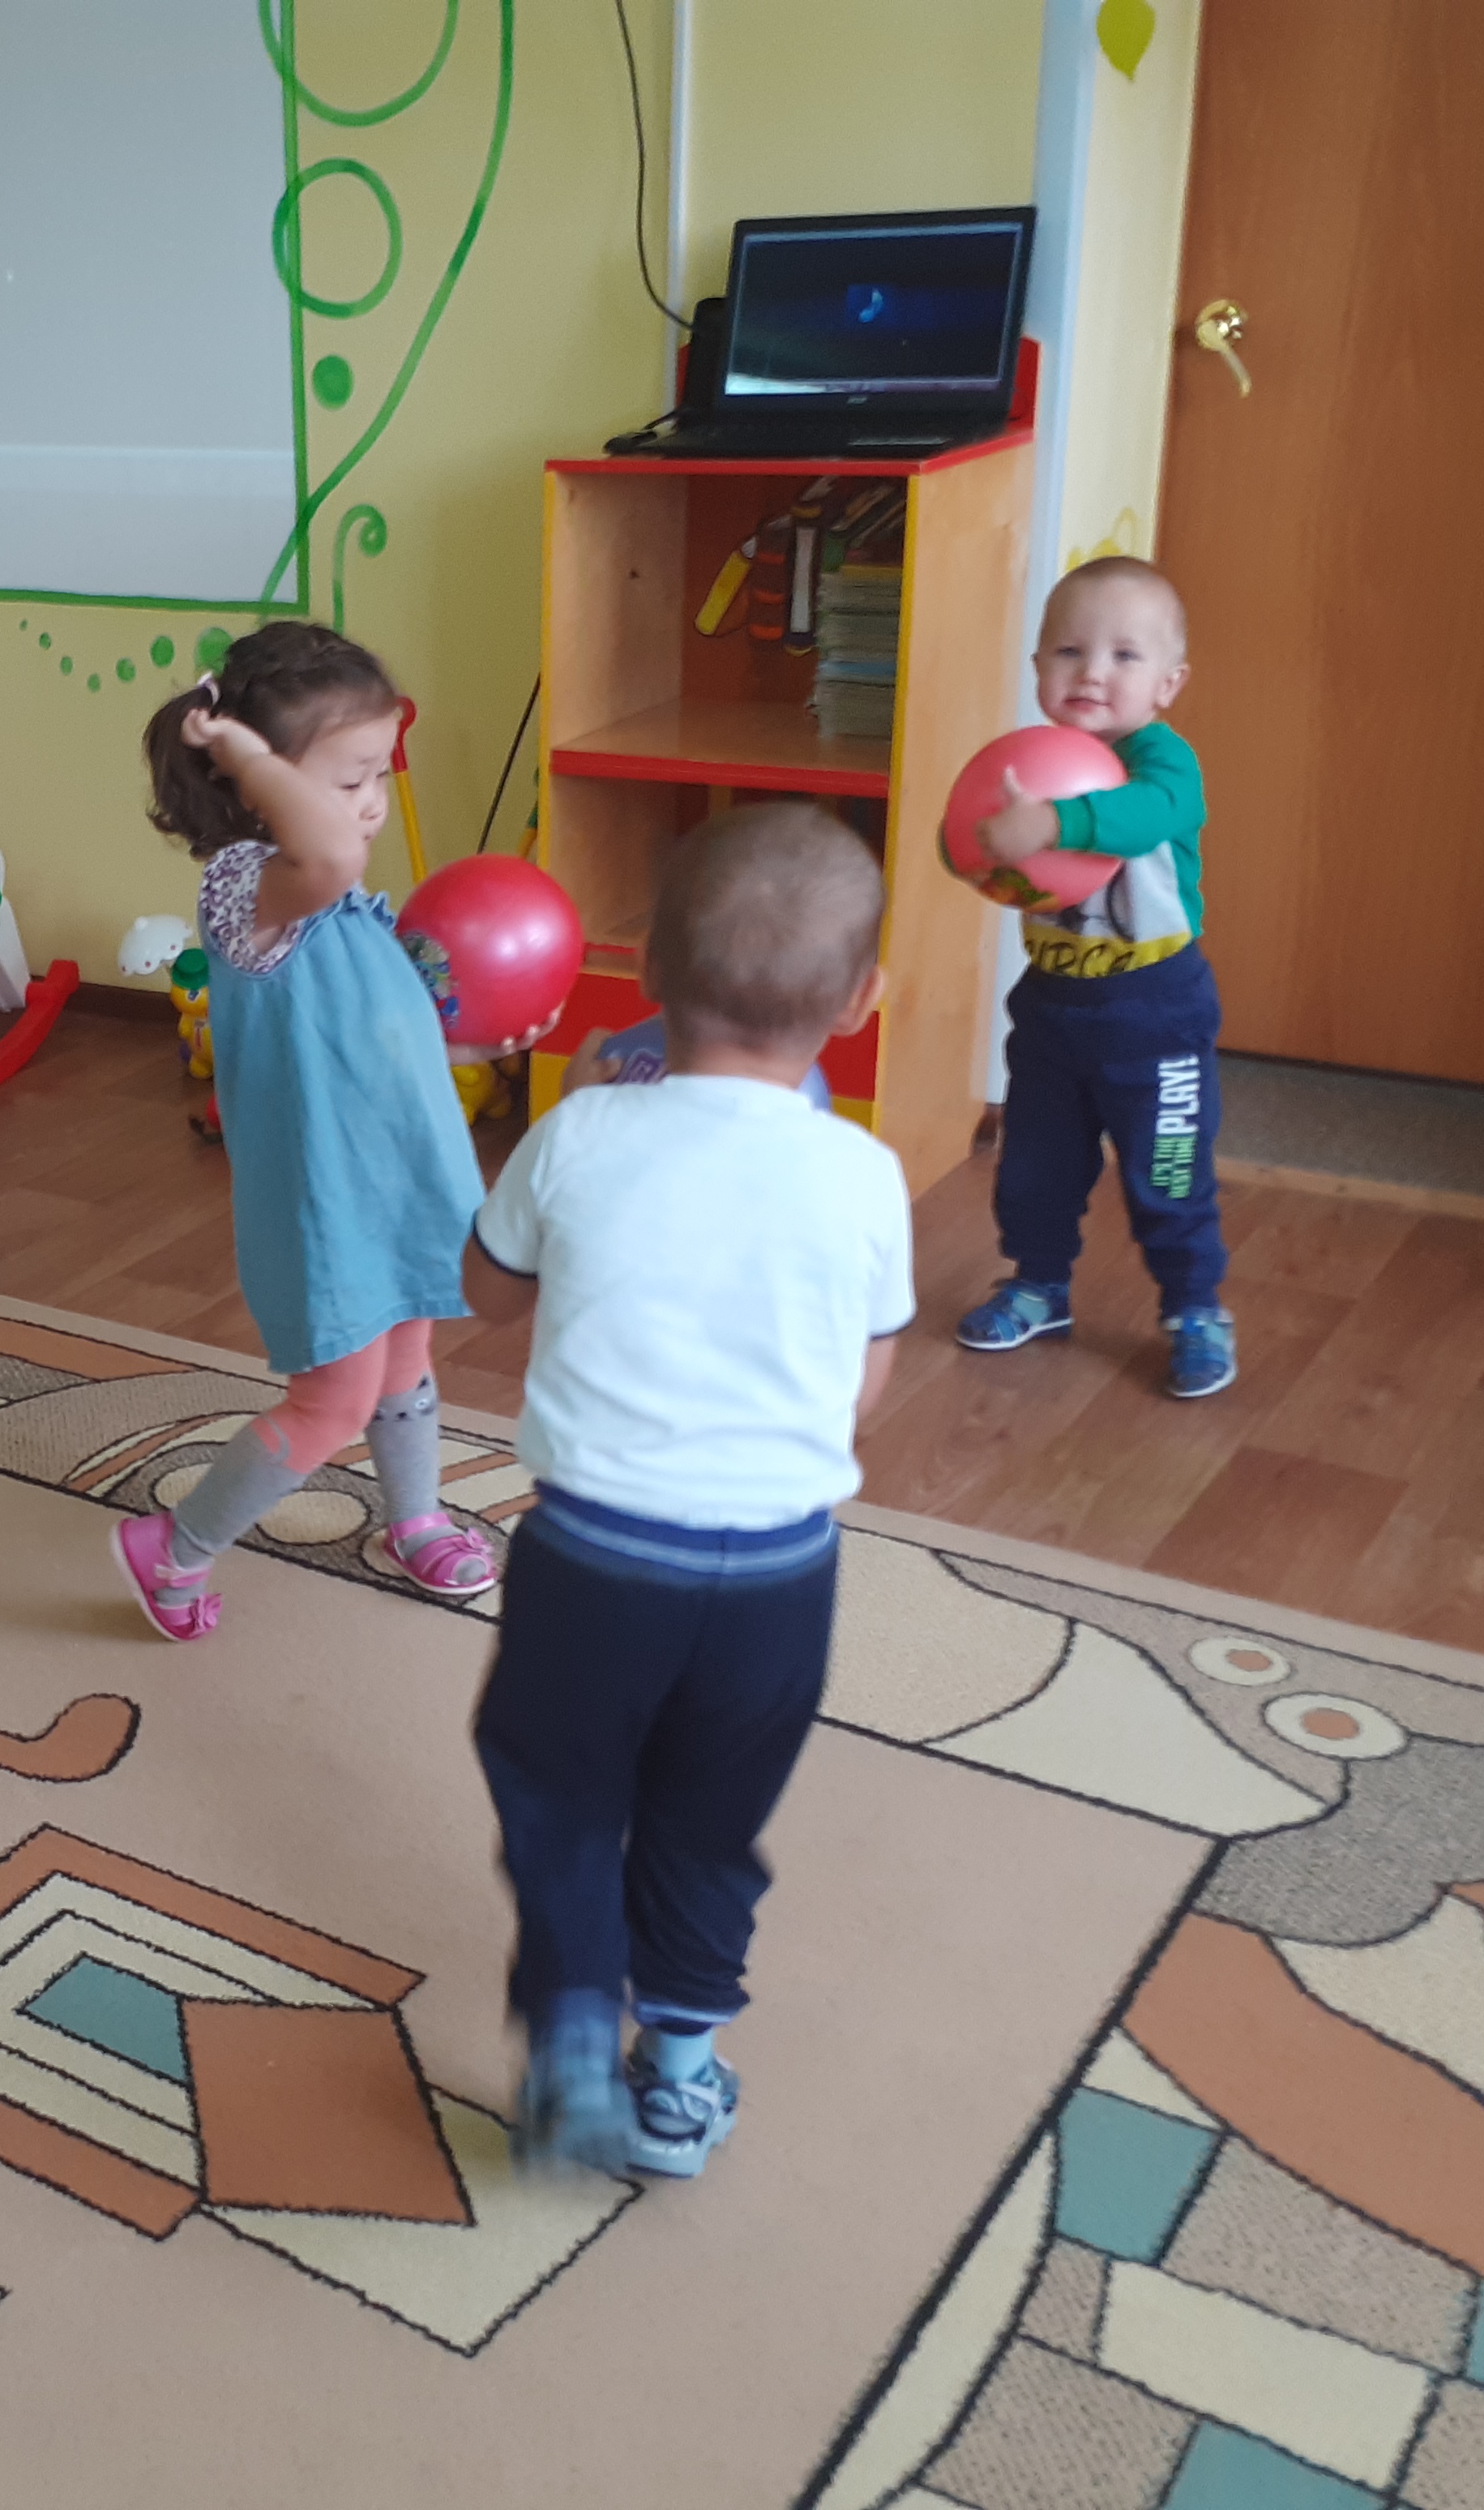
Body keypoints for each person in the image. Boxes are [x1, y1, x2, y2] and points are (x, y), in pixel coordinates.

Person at [462, 804, 910, 2180]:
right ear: (860, 1000)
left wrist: (580, 1106)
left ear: (646, 969)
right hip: (778, 1571)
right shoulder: (864, 1172)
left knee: (561, 1795)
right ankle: (678, 2080)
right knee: (708, 1821)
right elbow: (861, 1386)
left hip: (595, 1558)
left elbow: (487, 1291)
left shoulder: (581, 1133)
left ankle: (571, 2035)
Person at [108, 623, 496, 1638]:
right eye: (348, 778)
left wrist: (474, 1040)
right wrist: (242, 749)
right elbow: (322, 849)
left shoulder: (343, 900)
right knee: (332, 1402)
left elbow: (372, 1029)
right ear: (252, 785)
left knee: (406, 1356)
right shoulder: (251, 888)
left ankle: (415, 1517)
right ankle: (174, 1549)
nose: (369, 802)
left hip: (392, 1180)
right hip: (326, 1206)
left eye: (380, 774)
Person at [958, 555, 1233, 1397]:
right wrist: (975, 841)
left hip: (1157, 1009)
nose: (1092, 673)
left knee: (1169, 1173)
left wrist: (1053, 822)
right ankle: (1038, 1284)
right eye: (1070, 652)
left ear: (1168, 684)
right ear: (1037, 665)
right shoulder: (1032, 760)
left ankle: (1194, 1307)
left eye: (1124, 656)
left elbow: (1151, 816)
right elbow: (966, 836)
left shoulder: (1164, 761)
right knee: (1034, 1165)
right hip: (1052, 1007)